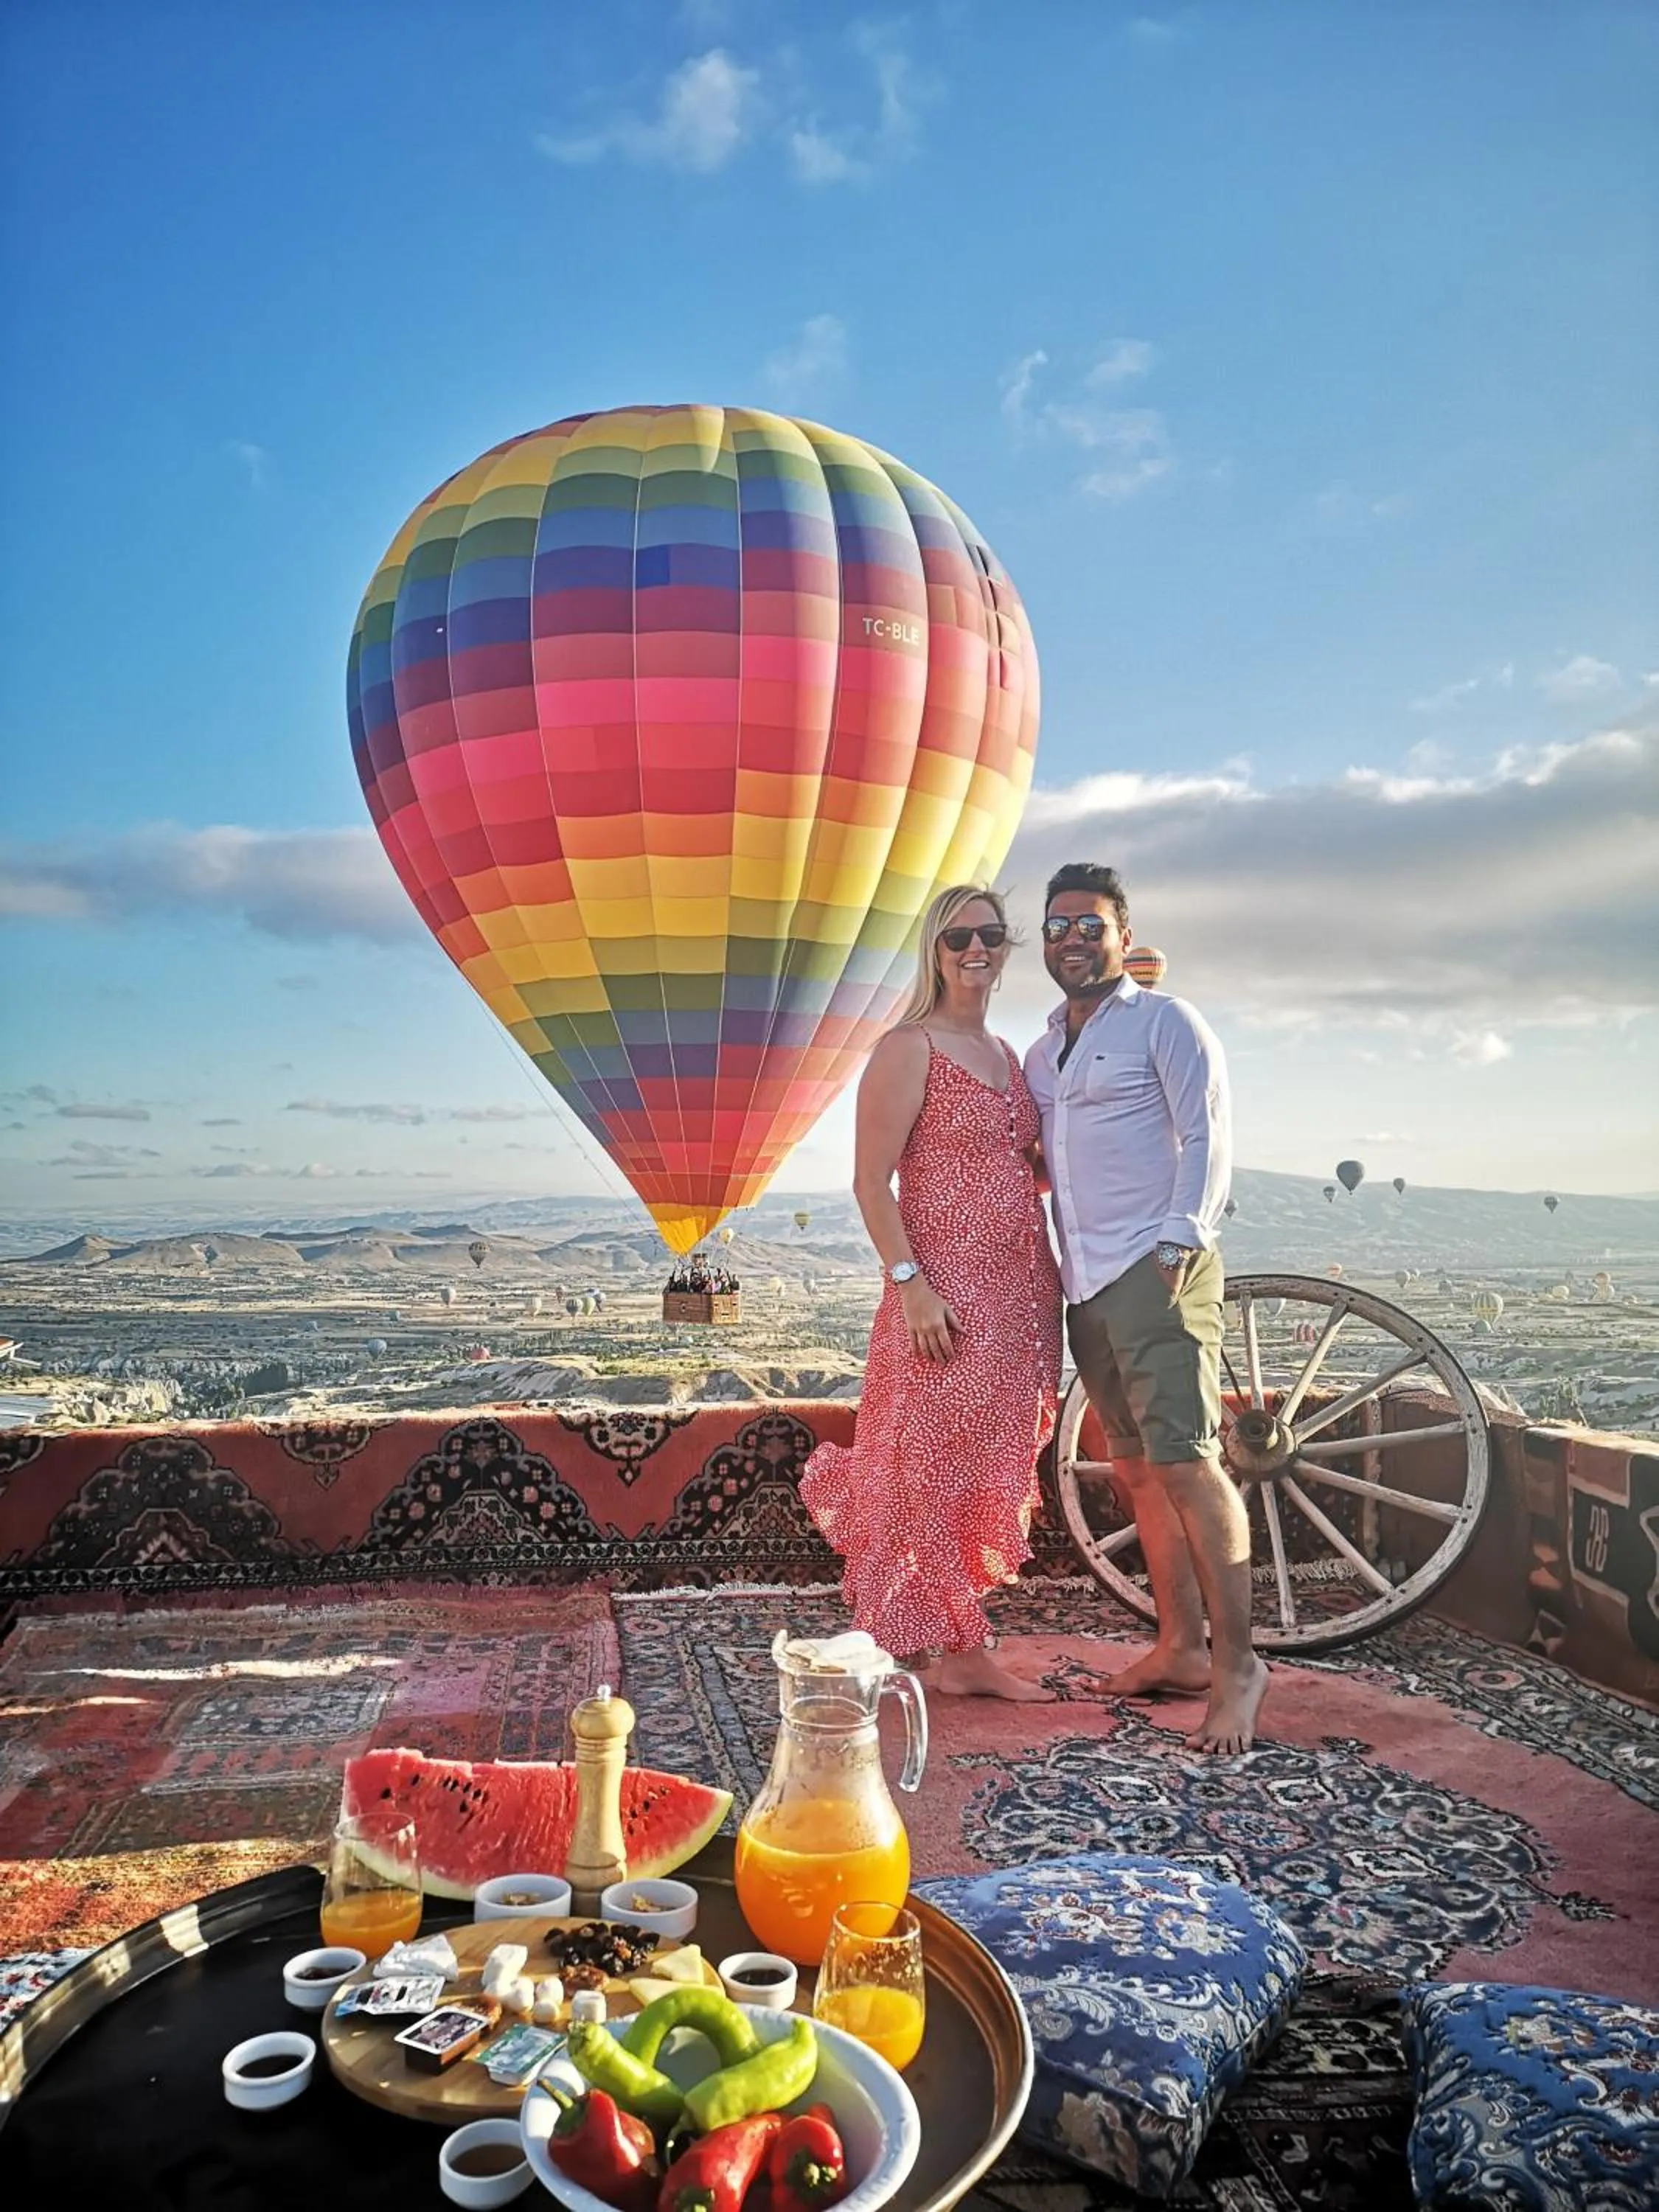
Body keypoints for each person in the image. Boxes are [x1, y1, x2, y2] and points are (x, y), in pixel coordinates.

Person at [1023, 862, 1267, 1754]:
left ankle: (1240, 1668)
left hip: (1154, 1264)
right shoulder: (1043, 1050)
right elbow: (1049, 1158)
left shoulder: (1167, 1021)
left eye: (1090, 924)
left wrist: (1181, 1242)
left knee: (1191, 1463)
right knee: (1136, 1470)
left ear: (1125, 934)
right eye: (1057, 926)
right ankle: (1180, 1647)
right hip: (1083, 1277)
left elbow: (1207, 1131)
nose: (1073, 939)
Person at [800, 883, 1062, 1699]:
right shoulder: (908, 1047)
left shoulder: (1009, 1055)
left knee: (991, 1458)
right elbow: (871, 1183)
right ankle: (954, 1649)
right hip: (944, 1297)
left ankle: (958, 1644)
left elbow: (1027, 1171)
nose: (975, 950)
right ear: (934, 950)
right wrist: (911, 1284)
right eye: (957, 939)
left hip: (1022, 1295)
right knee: (929, 1463)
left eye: (990, 935)